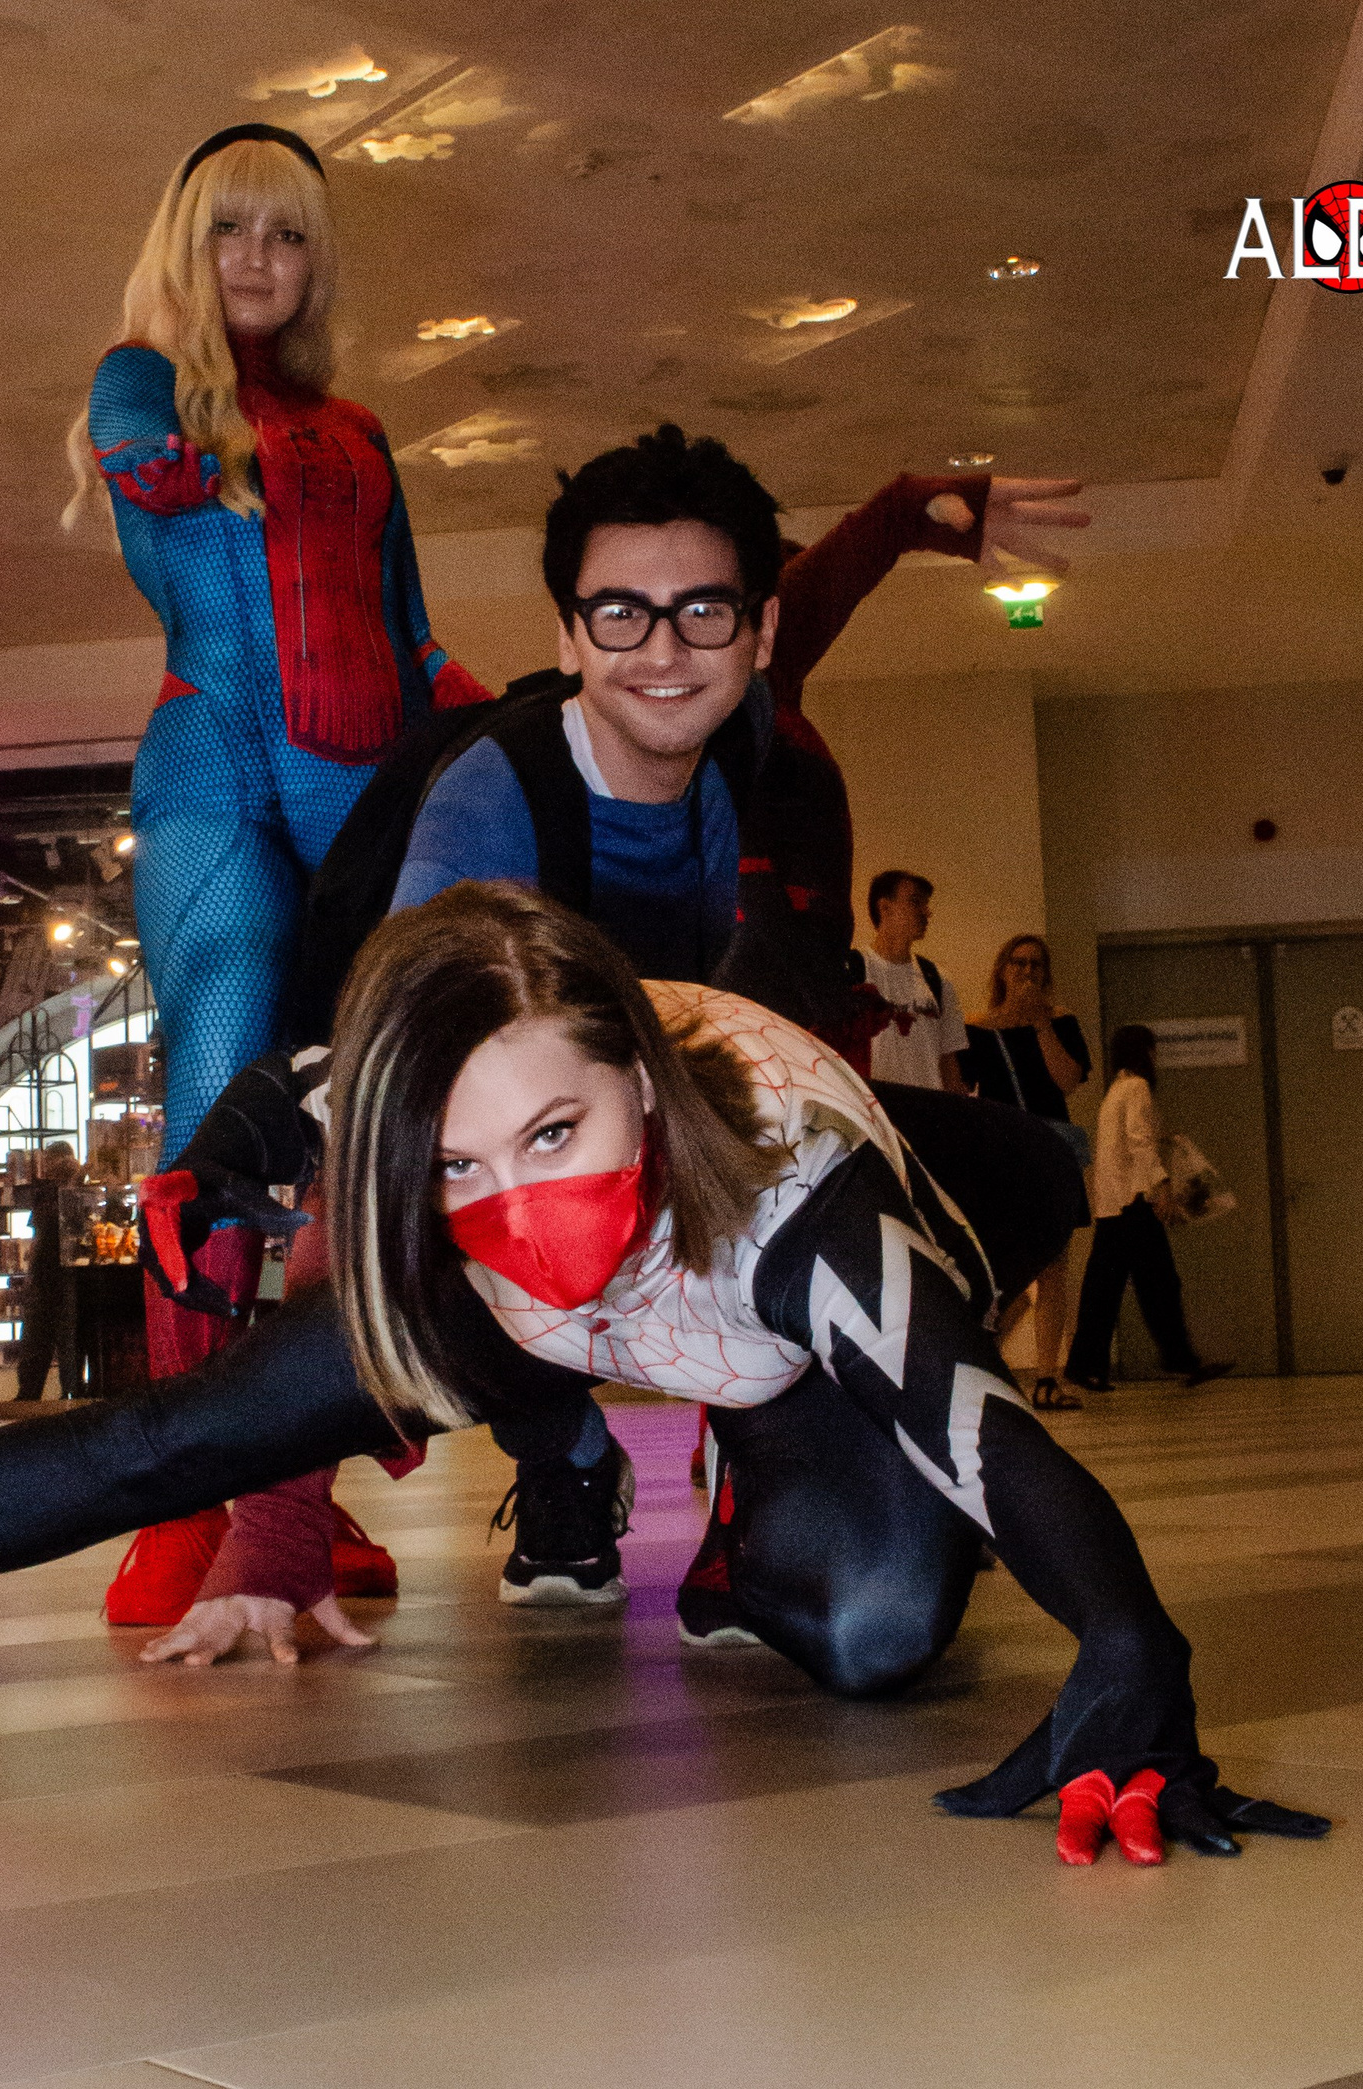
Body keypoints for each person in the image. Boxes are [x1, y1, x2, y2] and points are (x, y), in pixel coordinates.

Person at [0, 886, 1328, 1871]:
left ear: (637, 1086)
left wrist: (1132, 1664)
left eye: (556, 1132)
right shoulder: (416, 1142)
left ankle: (734, 1503)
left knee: (882, 1632)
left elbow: (993, 1451)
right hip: (547, 1318)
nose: (514, 1191)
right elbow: (254, 1137)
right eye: (460, 1163)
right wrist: (200, 1187)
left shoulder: (805, 1212)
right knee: (171, 1437)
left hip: (767, 1315)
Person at [159, 427, 1089, 1630]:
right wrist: (275, 1534)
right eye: (622, 619)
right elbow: (381, 1126)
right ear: (571, 638)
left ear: (745, 637)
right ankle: (562, 1461)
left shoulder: (746, 721)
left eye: (703, 618)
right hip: (534, 1140)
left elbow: (788, 595)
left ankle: (774, 1463)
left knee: (1018, 1169)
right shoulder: (489, 813)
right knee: (483, 1195)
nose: (664, 653)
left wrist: (913, 505)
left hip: (691, 1107)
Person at [68, 123, 494, 1381]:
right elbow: (146, 467)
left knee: (357, 1116)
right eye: (230, 226)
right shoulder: (139, 377)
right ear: (182, 243)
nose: (259, 256)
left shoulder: (362, 432)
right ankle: (180, 1493)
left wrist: (536, 715)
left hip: (370, 797)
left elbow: (414, 641)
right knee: (226, 1046)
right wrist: (183, 444)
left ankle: (289, 1484)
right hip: (216, 777)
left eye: (290, 232)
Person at [960, 935, 1094, 1410]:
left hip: (1049, 1150)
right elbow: (961, 1087)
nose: (1027, 973)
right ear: (1001, 969)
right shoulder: (975, 1027)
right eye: (1018, 963)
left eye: (1037, 965)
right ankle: (981, 1360)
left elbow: (1068, 1081)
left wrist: (1040, 1026)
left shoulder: (1060, 1022)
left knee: (1053, 1266)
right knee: (1001, 1269)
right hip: (1000, 1153)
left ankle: (1046, 1377)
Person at [1066, 1024, 1231, 1392]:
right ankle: (1181, 1359)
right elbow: (1139, 1143)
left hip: (1112, 1205)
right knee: (1160, 1284)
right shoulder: (1137, 1087)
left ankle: (1084, 1363)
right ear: (1145, 1051)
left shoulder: (1114, 1091)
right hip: (1134, 1203)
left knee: (1104, 1288)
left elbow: (1122, 1145)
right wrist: (1163, 1187)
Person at [862, 871, 967, 1092]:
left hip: (929, 1112)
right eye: (915, 901)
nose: (926, 912)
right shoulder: (854, 969)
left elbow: (948, 1061)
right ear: (885, 908)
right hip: (874, 1110)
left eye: (926, 904)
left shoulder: (937, 979)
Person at [12, 1141, 84, 1403]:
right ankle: (71, 1391)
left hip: (47, 1274)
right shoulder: (80, 1188)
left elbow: (38, 1235)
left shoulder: (46, 1192)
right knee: (68, 1339)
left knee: (36, 1339)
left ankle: (29, 1393)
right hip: (69, 1274)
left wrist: (32, 1270)